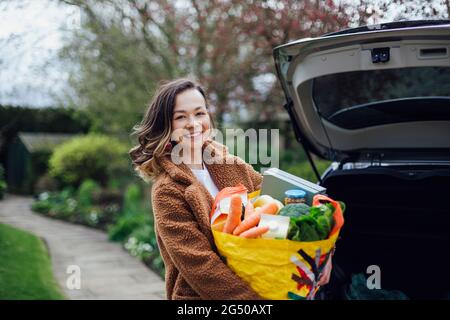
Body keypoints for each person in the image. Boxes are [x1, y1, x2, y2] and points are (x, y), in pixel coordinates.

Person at [129, 78, 331, 300]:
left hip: (264, 281)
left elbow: (284, 207)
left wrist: (321, 256)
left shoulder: (229, 164)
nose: (193, 123)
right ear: (166, 126)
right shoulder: (167, 190)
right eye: (180, 117)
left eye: (199, 113)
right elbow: (200, 265)